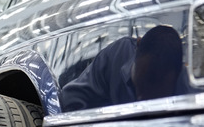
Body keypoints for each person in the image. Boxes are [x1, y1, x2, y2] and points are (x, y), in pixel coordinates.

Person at [61, 25, 189, 111]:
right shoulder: (117, 56)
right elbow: (70, 101)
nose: (141, 99)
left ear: (178, 73)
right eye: (141, 85)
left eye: (155, 97)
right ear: (137, 48)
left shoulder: (188, 88)